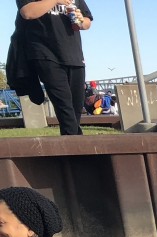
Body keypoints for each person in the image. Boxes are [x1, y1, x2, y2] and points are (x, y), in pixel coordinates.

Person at [10, 1, 94, 136]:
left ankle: (72, 148)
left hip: (74, 56)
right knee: (64, 106)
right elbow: (27, 13)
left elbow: (87, 22)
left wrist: (79, 19)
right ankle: (77, 150)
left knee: (75, 108)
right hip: (45, 54)